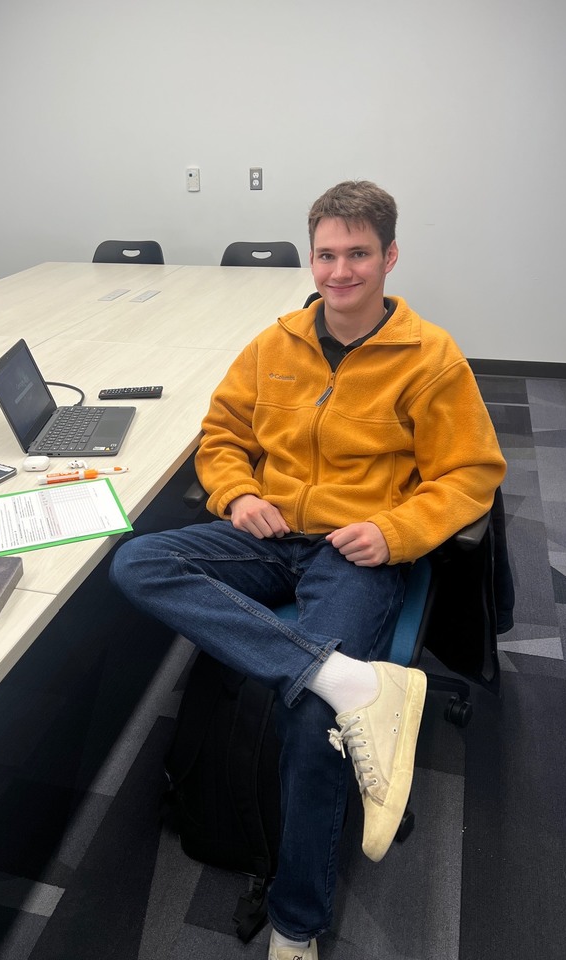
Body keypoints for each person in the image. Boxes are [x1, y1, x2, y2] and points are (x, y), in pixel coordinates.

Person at [109, 180, 506, 960]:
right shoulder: (275, 344)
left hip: (354, 551)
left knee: (310, 721)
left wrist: (393, 530)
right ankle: (348, 680)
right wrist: (237, 492)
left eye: (359, 254)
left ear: (390, 257)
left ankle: (296, 926)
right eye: (327, 254)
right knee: (139, 562)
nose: (340, 271)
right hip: (271, 534)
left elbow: (471, 474)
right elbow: (221, 433)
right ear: (312, 257)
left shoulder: (430, 357)